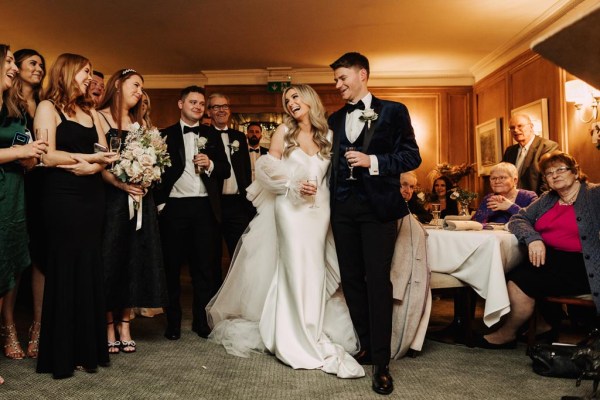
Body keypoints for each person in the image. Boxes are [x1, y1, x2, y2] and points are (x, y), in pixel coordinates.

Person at [207, 84, 364, 379]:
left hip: (321, 210)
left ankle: (310, 327)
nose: (291, 102)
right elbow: (266, 167)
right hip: (290, 210)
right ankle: (293, 337)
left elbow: (336, 176)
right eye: (286, 99)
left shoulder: (329, 135)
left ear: (309, 99)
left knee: (314, 270)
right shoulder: (283, 132)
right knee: (293, 267)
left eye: (295, 96)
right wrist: (291, 184)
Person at [328, 52, 421, 395]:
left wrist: (373, 161)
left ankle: (381, 362)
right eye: (335, 81)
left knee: (377, 280)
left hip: (377, 209)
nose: (338, 86)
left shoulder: (394, 111)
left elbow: (412, 155)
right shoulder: (336, 119)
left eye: (342, 78)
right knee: (351, 279)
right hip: (342, 210)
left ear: (362, 74)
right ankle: (366, 345)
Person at [34, 53, 116, 378]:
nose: (89, 78)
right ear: (68, 72)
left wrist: (91, 167)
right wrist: (80, 162)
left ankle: (87, 349)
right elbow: (46, 154)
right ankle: (62, 353)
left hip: (91, 197)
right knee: (65, 268)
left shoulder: (90, 112)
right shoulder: (46, 108)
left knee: (89, 267)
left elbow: (103, 154)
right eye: (85, 72)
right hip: (62, 199)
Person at [477, 151, 599, 349]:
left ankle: (511, 332)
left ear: (575, 173)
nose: (555, 175)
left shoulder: (594, 194)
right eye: (549, 173)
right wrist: (533, 238)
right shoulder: (548, 199)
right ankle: (541, 324)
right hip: (548, 259)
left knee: (521, 280)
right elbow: (519, 219)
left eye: (561, 169)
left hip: (584, 264)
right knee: (514, 275)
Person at [97, 69, 167, 354]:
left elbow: (156, 161)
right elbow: (100, 163)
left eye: (142, 86)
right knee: (109, 258)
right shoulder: (98, 117)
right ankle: (107, 323)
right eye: (135, 84)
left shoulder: (141, 123)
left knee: (133, 257)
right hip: (110, 201)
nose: (140, 90)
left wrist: (147, 175)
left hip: (139, 201)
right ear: (118, 84)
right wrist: (121, 184)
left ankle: (126, 322)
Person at [155, 86, 230, 341]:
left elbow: (226, 169)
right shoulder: (164, 135)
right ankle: (173, 322)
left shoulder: (212, 134)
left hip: (204, 209)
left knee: (205, 269)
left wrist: (210, 164)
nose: (197, 106)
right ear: (180, 104)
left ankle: (201, 322)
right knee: (171, 268)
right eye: (192, 102)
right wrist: (160, 202)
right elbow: (156, 174)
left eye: (201, 103)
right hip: (174, 208)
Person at [0, 44, 47, 383]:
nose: (37, 68)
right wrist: (21, 153)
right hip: (9, 185)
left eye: (42, 65)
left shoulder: (37, 107)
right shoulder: (5, 103)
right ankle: (8, 328)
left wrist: (31, 158)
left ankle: (29, 327)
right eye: (32, 63)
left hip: (31, 188)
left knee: (26, 256)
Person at [207, 93, 254, 259]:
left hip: (238, 204)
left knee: (241, 252)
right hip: (213, 204)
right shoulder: (203, 136)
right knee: (212, 253)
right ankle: (216, 285)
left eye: (225, 106)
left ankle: (241, 285)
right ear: (209, 112)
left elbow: (246, 171)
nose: (221, 110)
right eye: (216, 107)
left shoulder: (239, 137)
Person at [502, 113, 558, 194]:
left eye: (520, 126)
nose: (516, 130)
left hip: (536, 202)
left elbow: (548, 181)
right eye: (512, 127)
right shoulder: (510, 151)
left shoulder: (547, 147)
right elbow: (502, 176)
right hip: (510, 201)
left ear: (531, 127)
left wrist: (537, 204)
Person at [472, 162, 537, 224]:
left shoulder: (529, 196)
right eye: (493, 178)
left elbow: (535, 221)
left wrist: (510, 207)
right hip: (493, 235)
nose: (497, 181)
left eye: (502, 178)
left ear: (515, 180)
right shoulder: (488, 199)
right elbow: (475, 224)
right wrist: (487, 211)